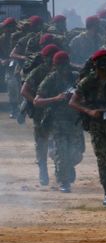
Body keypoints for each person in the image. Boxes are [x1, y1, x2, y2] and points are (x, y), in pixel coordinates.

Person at [69, 49, 106, 205]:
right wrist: (89, 111)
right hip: (96, 124)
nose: (104, 65)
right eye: (101, 62)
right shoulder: (87, 81)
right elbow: (73, 102)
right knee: (101, 157)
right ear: (95, 64)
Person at [34, 51, 83, 193]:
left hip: (74, 121)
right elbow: (37, 101)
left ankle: (66, 165)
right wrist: (56, 98)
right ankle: (63, 181)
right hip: (57, 121)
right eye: (60, 65)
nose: (63, 68)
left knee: (76, 154)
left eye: (65, 65)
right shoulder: (50, 79)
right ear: (55, 66)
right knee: (61, 152)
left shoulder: (76, 77)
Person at [21, 44, 61, 186]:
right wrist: (36, 102)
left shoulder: (60, 71)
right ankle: (43, 170)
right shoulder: (38, 71)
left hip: (57, 112)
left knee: (58, 141)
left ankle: (59, 170)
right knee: (41, 142)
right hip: (41, 113)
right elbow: (24, 90)